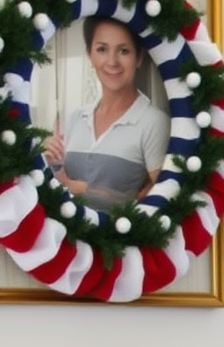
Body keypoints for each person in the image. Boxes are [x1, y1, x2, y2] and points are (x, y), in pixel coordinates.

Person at [43, 17, 169, 209]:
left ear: (139, 57)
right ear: (89, 55)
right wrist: (53, 162)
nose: (112, 62)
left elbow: (161, 198)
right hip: (69, 238)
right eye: (102, 49)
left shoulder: (154, 122)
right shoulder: (76, 117)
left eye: (124, 51)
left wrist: (80, 188)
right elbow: (60, 186)